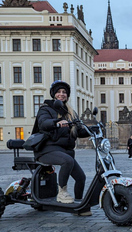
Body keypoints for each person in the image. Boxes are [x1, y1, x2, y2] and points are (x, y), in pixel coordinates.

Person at [34, 80, 91, 215]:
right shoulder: (46, 109)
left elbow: (79, 131)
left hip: (65, 151)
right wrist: (57, 123)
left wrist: (93, 129)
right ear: (54, 94)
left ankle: (78, 205)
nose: (61, 94)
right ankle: (62, 193)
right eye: (59, 92)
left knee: (81, 177)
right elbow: (43, 123)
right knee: (67, 161)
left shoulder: (70, 112)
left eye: (64, 92)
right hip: (47, 149)